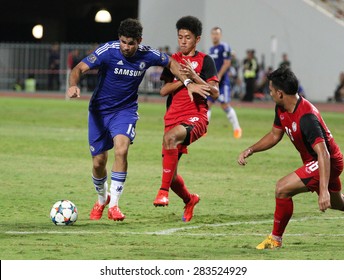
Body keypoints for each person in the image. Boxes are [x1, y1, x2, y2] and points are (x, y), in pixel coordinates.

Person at [66, 18, 209, 222]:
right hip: (99, 111)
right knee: (99, 162)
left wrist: (187, 82)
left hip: (125, 111)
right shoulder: (108, 50)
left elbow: (171, 63)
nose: (126, 47)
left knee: (121, 149)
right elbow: (79, 68)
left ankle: (114, 205)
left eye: (131, 43)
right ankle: (102, 198)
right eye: (123, 41)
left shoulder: (148, 54)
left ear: (139, 41)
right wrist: (73, 85)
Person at [238, 66, 344, 249]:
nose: (269, 93)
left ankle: (275, 240)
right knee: (338, 203)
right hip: (319, 161)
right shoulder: (282, 108)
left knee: (282, 188)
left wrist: (323, 189)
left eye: (270, 90)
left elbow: (323, 153)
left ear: (280, 93)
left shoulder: (306, 117)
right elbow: (274, 135)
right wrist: (251, 149)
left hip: (326, 162)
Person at [153, 16, 219, 222]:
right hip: (172, 117)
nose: (182, 41)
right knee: (172, 177)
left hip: (195, 117)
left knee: (171, 138)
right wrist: (185, 80)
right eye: (180, 37)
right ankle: (190, 199)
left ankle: (162, 192)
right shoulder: (172, 61)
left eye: (187, 37)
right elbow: (163, 90)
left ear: (197, 39)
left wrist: (195, 76)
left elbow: (215, 92)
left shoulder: (205, 61)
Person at [208, 27, 242, 139]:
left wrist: (219, 76)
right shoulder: (211, 49)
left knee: (225, 105)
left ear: (220, 35)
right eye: (213, 34)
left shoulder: (225, 47)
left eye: (217, 34)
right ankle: (203, 129)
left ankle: (237, 128)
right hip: (212, 82)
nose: (215, 36)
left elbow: (227, 63)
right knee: (207, 105)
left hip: (222, 83)